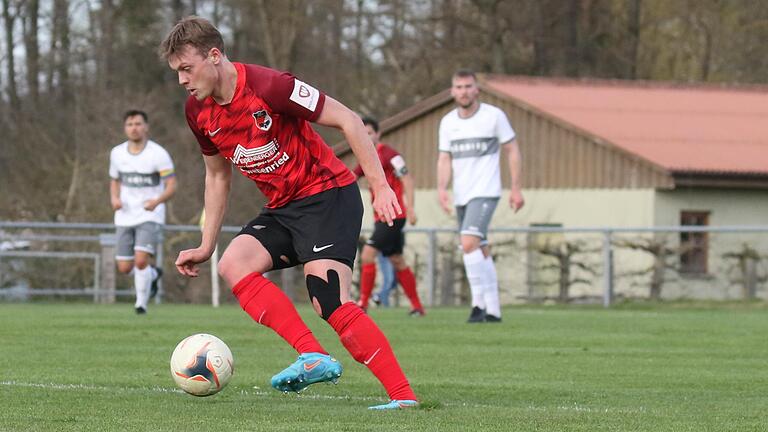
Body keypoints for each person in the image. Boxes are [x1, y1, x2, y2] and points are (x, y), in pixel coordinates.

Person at [159, 16, 417, 410]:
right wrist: (206, 244)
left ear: (214, 56)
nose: (182, 80)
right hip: (283, 207)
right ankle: (312, 356)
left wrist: (380, 187)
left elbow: (348, 120)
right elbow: (216, 177)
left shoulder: (269, 86)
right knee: (234, 264)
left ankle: (404, 399)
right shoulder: (198, 112)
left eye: (186, 68)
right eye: (177, 71)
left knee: (327, 299)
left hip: (328, 195)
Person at [436, 69, 524, 323]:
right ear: (452, 92)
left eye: (468, 86)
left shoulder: (494, 116)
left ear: (476, 89)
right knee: (479, 248)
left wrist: (516, 187)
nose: (463, 91)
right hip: (462, 194)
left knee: (468, 243)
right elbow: (444, 158)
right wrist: (442, 189)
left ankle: (478, 306)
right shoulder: (448, 122)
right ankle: (494, 309)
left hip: (486, 192)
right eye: (459, 87)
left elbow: (512, 150)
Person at [354, 117, 424, 316]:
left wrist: (411, 208)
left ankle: (363, 304)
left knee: (368, 254)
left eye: (369, 133)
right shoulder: (366, 157)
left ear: (378, 134)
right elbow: (351, 177)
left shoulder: (390, 154)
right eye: (363, 133)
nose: (366, 137)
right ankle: (417, 307)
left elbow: (407, 179)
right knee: (397, 259)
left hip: (394, 214)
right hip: (382, 217)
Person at [109, 110, 177, 314]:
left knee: (140, 261)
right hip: (124, 216)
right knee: (124, 268)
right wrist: (114, 198)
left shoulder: (158, 154)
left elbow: (172, 185)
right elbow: (114, 180)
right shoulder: (117, 153)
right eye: (130, 124)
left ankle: (141, 304)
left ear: (146, 127)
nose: (134, 128)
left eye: (138, 124)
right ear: (125, 128)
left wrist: (157, 201)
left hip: (149, 215)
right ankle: (153, 275)